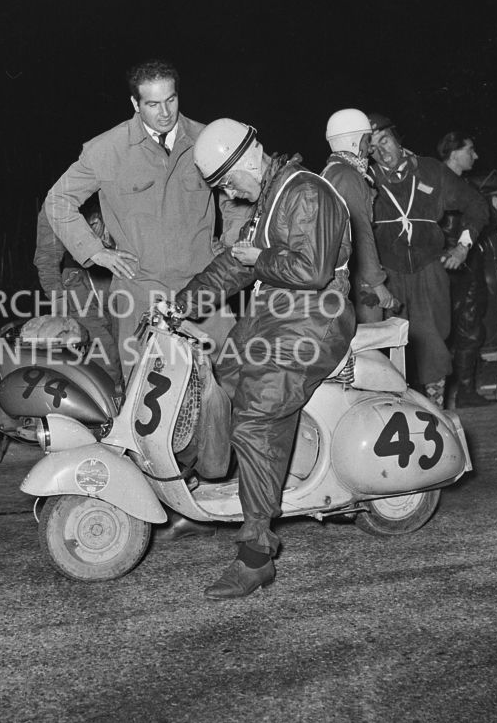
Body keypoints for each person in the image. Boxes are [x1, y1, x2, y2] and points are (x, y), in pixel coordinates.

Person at [174, 118, 355, 600]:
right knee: (219, 379)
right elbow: (235, 263)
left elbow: (312, 270)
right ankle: (204, 497)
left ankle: (255, 557)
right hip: (276, 312)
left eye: (228, 181)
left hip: (317, 315)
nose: (229, 194)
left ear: (249, 158)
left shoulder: (306, 192)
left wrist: (258, 261)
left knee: (255, 416)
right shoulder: (271, 197)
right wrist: (180, 305)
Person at [43, 59, 251, 378]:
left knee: (233, 377)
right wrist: (95, 251)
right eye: (152, 104)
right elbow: (58, 200)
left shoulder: (205, 140)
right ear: (135, 104)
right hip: (140, 293)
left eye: (171, 100)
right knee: (146, 393)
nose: (164, 112)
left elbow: (235, 197)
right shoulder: (107, 150)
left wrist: (231, 242)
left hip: (204, 288)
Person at [365, 113, 490, 407]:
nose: (383, 151)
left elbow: (476, 205)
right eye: (372, 148)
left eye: (385, 140)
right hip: (386, 275)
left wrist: (462, 247)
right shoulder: (365, 179)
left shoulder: (431, 171)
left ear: (397, 138)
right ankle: (397, 414)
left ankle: (435, 412)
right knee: (383, 347)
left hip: (429, 270)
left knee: (433, 344)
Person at [437, 130, 497, 408]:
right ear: (454, 153)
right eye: (470, 149)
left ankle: (464, 391)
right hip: (450, 267)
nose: (475, 155)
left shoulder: (462, 186)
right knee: (453, 329)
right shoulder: (441, 184)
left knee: (468, 328)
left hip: (464, 266)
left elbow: (489, 219)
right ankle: (451, 392)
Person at [33, 200, 123, 390]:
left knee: (127, 346)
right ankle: (109, 407)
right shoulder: (57, 202)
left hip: (121, 277)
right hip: (79, 280)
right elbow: (47, 259)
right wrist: (58, 300)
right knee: (104, 351)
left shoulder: (113, 188)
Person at [321, 108, 399, 323]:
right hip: (354, 277)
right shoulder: (348, 177)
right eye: (367, 140)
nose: (369, 148)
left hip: (335, 273)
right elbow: (362, 235)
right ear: (356, 142)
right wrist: (378, 285)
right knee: (369, 345)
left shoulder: (331, 172)